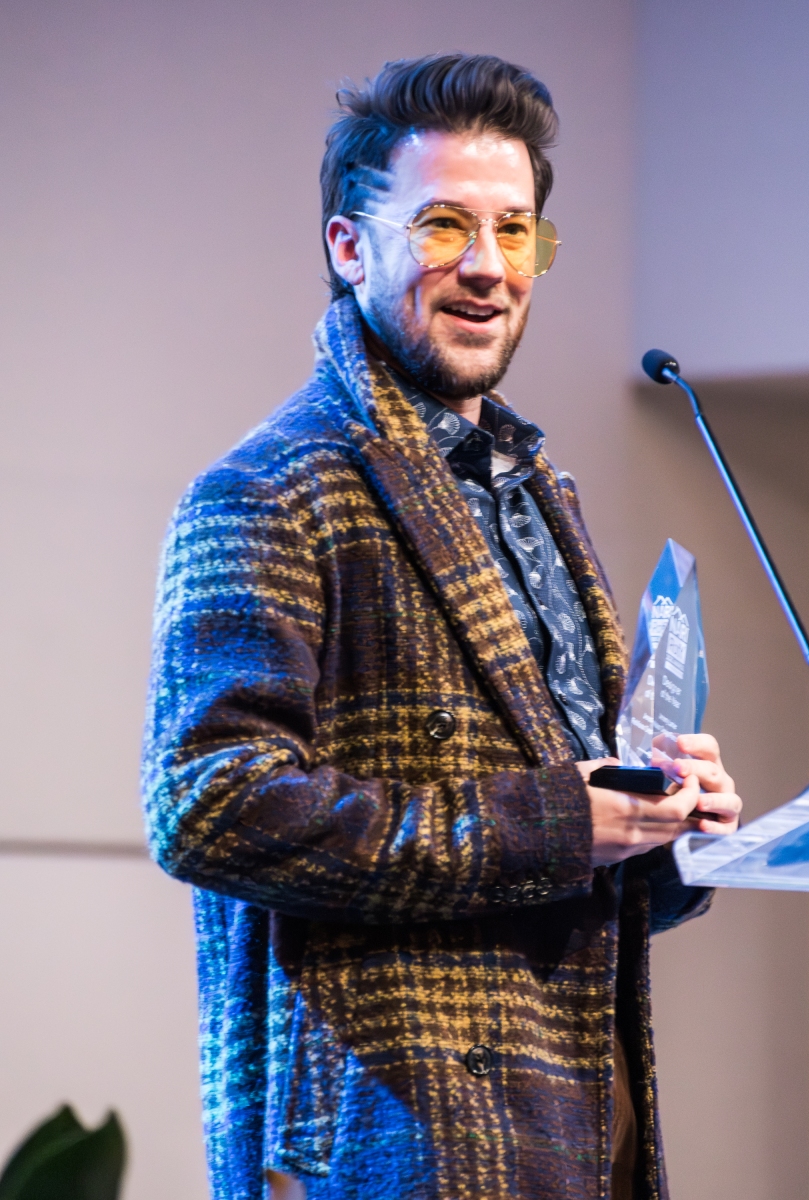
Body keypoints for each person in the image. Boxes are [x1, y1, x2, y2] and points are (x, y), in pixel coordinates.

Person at [141, 53, 742, 1200]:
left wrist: (664, 829)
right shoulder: (267, 491)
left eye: (514, 231)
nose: (487, 266)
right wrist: (558, 819)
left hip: (579, 1120)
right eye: (443, 226)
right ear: (348, 246)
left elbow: (567, 854)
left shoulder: (541, 493)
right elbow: (208, 808)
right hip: (390, 1138)